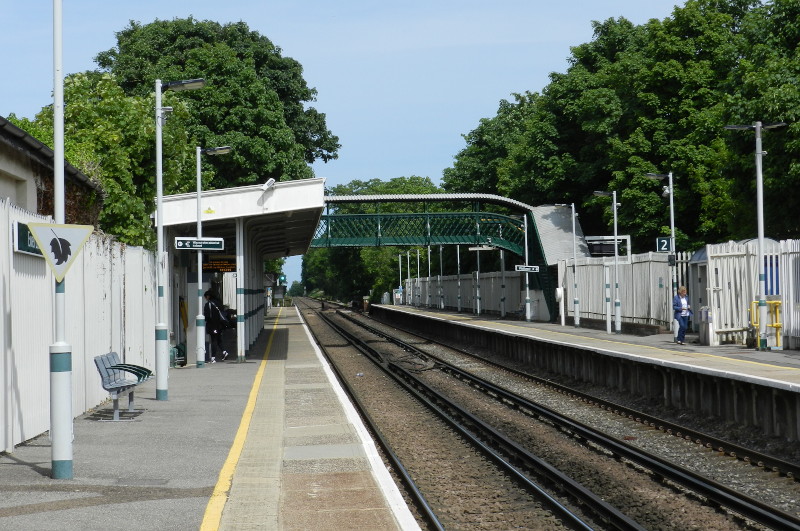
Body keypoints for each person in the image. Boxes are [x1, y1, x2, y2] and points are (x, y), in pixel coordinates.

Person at [203, 291, 229, 362]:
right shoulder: (218, 303)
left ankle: (213, 358)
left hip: (213, 325)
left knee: (214, 340)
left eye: (205, 297)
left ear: (208, 296)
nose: (205, 298)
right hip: (220, 325)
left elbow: (207, 316)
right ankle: (224, 352)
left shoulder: (208, 304)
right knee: (218, 339)